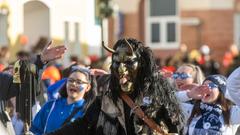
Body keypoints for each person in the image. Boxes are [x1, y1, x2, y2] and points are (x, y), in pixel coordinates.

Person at [48, 38, 184, 135]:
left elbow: (177, 127)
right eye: (117, 62)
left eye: (129, 62)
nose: (121, 69)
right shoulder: (106, 101)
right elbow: (81, 126)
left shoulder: (159, 94)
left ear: (141, 64)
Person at [30, 66, 97, 134]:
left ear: (88, 87)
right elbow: (34, 130)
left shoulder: (88, 111)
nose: (73, 84)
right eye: (71, 80)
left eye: (79, 82)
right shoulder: (50, 106)